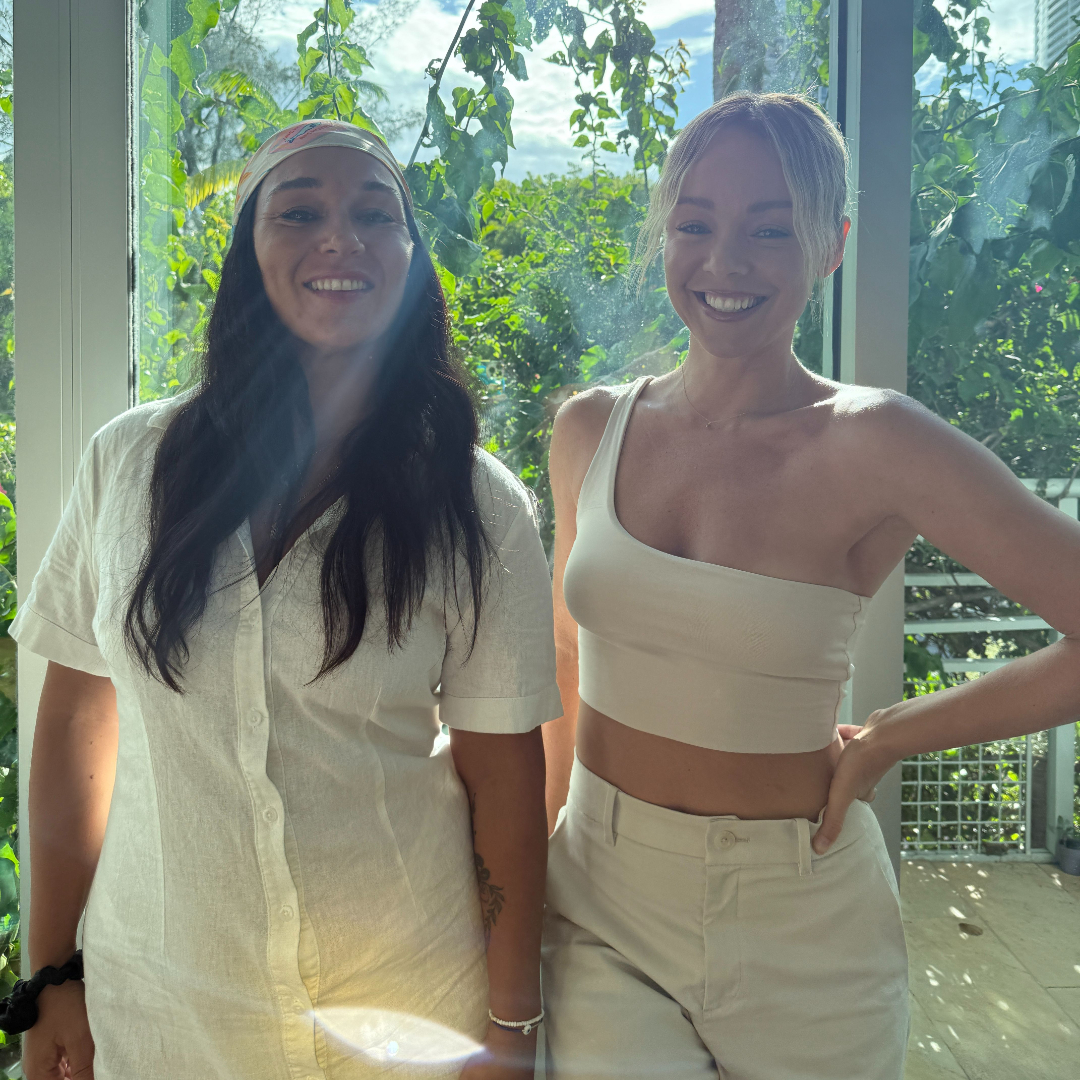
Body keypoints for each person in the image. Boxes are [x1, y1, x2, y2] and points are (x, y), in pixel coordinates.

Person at [541, 93, 1080, 1080]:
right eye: (695, 225)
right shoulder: (589, 431)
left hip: (802, 924)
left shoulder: (879, 442)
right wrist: (538, 863)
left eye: (770, 229)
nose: (725, 263)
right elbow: (566, 656)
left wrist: (890, 737)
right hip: (599, 900)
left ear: (832, 245)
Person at [17, 120, 560, 1080]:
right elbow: (75, 724)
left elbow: (506, 783)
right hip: (165, 1013)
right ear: (248, 253)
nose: (339, 238)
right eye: (299, 212)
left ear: (412, 258)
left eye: (375, 215)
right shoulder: (128, 465)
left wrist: (512, 1028)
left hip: (405, 1016)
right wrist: (51, 971)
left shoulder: (475, 503)